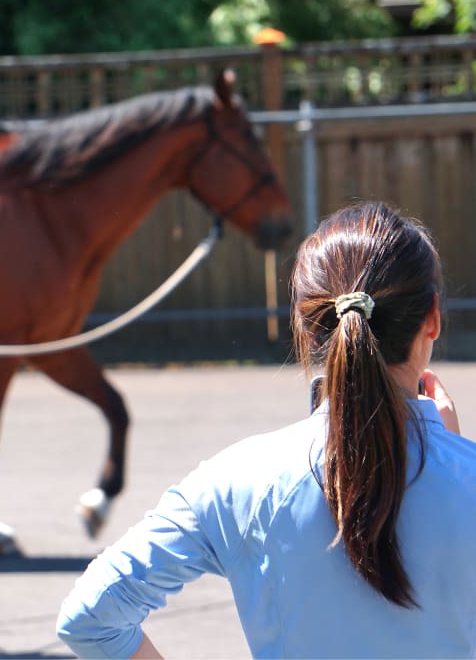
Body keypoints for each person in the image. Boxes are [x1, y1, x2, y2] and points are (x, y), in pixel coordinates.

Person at [57, 201, 476, 658]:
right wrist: (448, 453)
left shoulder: (234, 479)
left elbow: (90, 617)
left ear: (309, 326)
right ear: (431, 318)